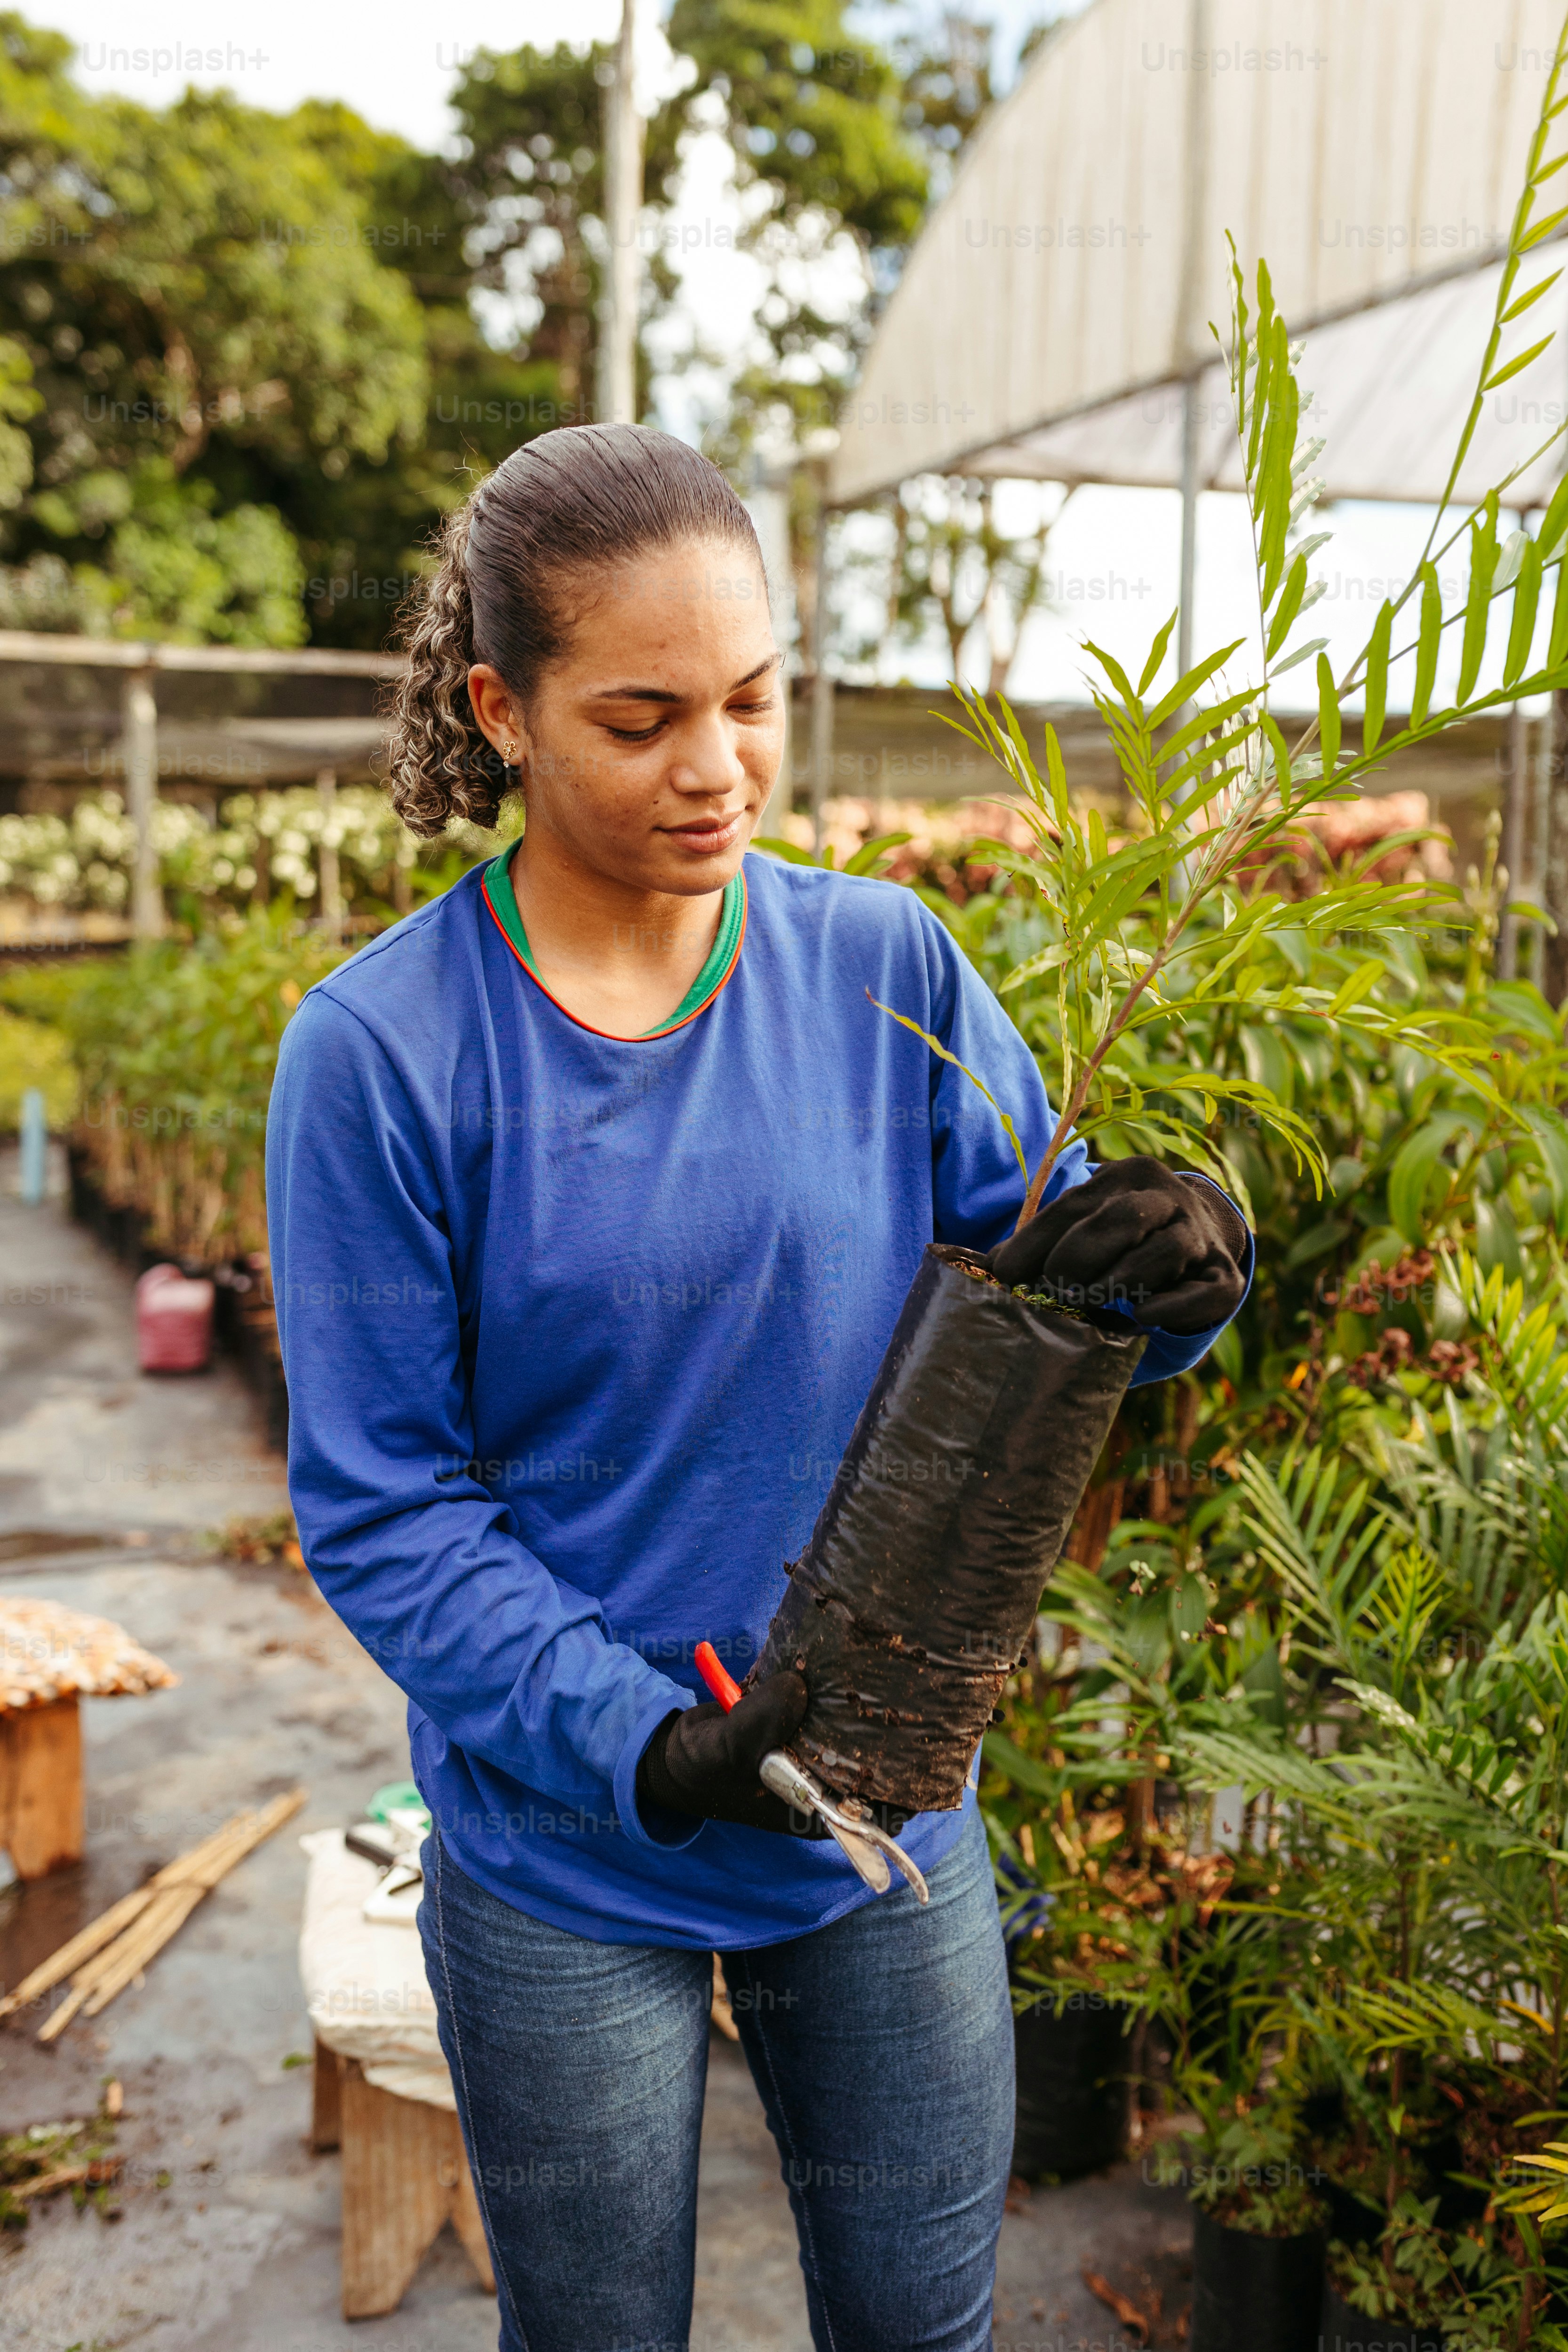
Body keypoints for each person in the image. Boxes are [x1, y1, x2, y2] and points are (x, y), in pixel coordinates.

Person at [267, 423, 1251, 2352]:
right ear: (504, 708)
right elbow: (387, 1500)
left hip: (883, 1813)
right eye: (641, 717)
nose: (715, 767)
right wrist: (642, 1741)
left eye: (751, 700)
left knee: (921, 2322)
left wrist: (1174, 1271)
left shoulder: (883, 962)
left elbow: (1039, 1291)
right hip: (570, 1844)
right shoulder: (383, 1052)